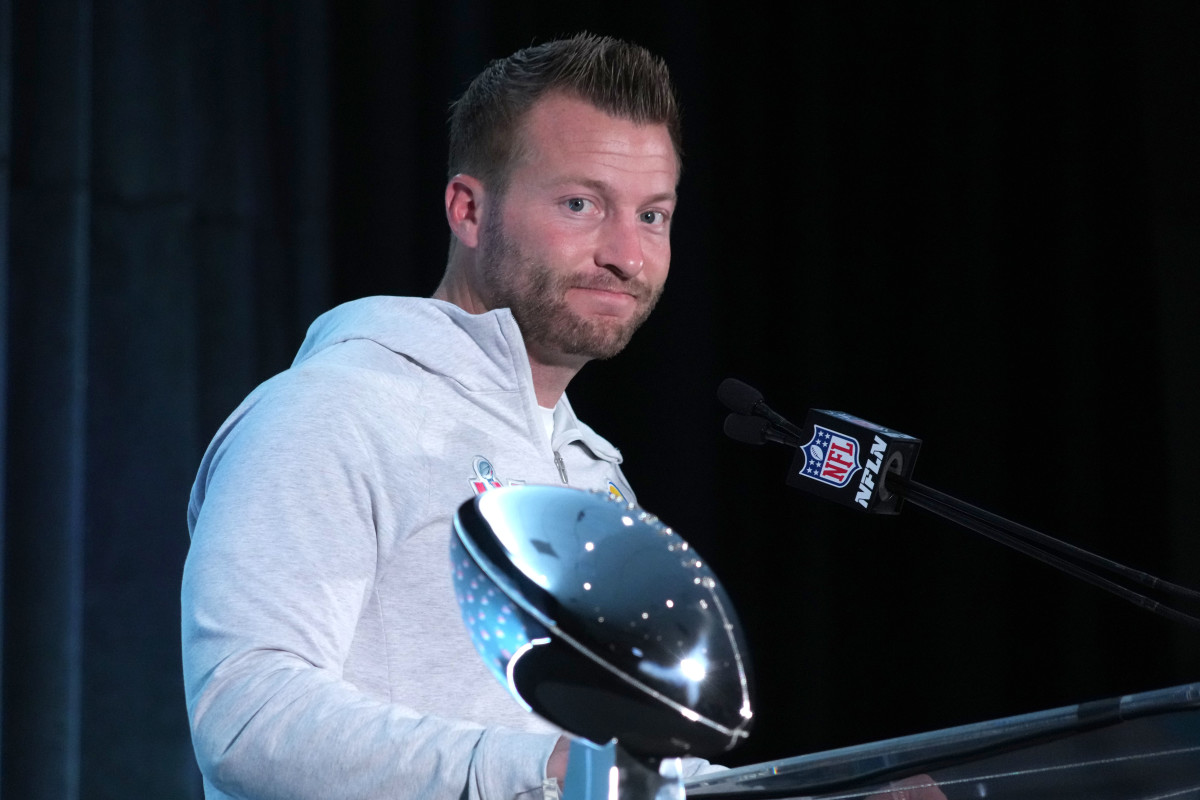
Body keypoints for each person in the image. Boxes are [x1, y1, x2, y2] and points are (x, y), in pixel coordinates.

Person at [181, 33, 686, 800]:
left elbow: (629, 766)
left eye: (652, 215)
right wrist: (542, 768)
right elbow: (247, 717)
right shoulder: (331, 412)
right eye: (582, 204)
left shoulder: (594, 471)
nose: (627, 254)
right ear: (469, 211)